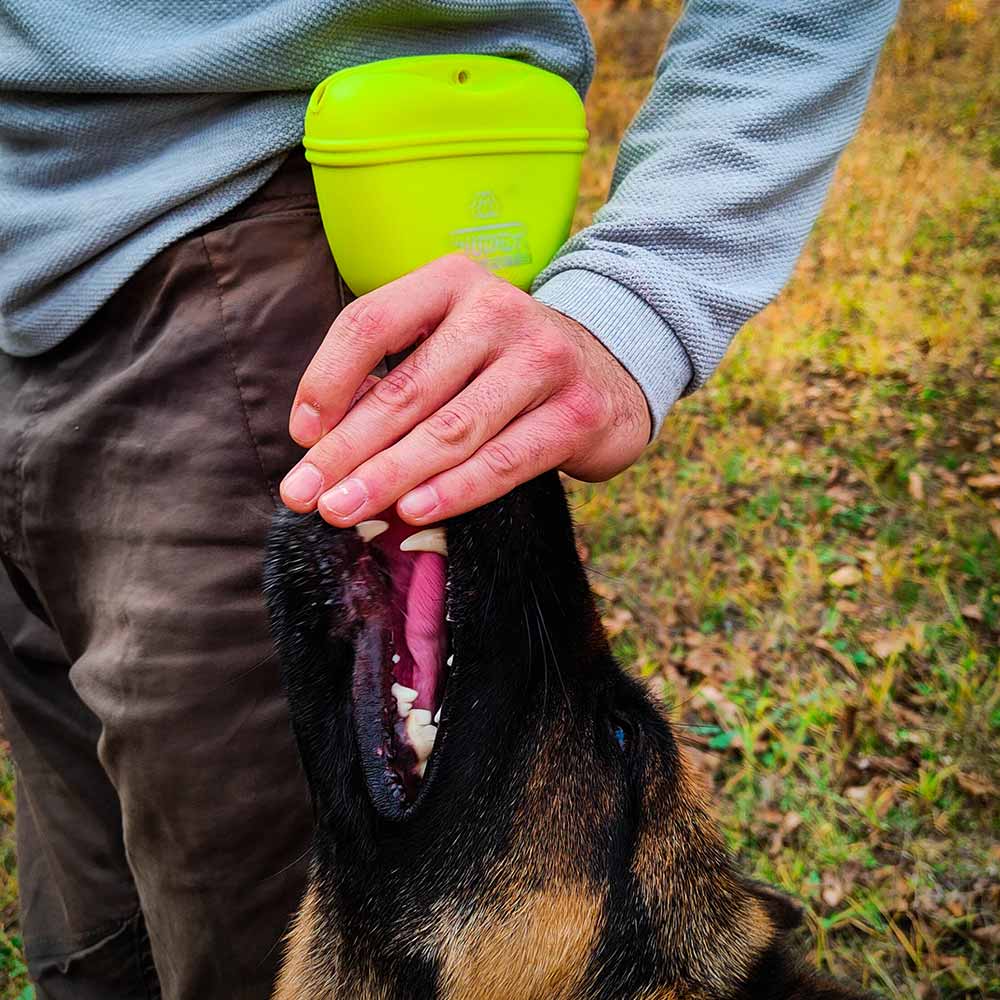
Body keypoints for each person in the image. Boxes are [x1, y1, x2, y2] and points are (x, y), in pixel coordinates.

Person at [0, 1, 898, 996]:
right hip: (28, 284)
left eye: (619, 740)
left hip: (292, 240)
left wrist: (649, 286)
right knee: (92, 950)